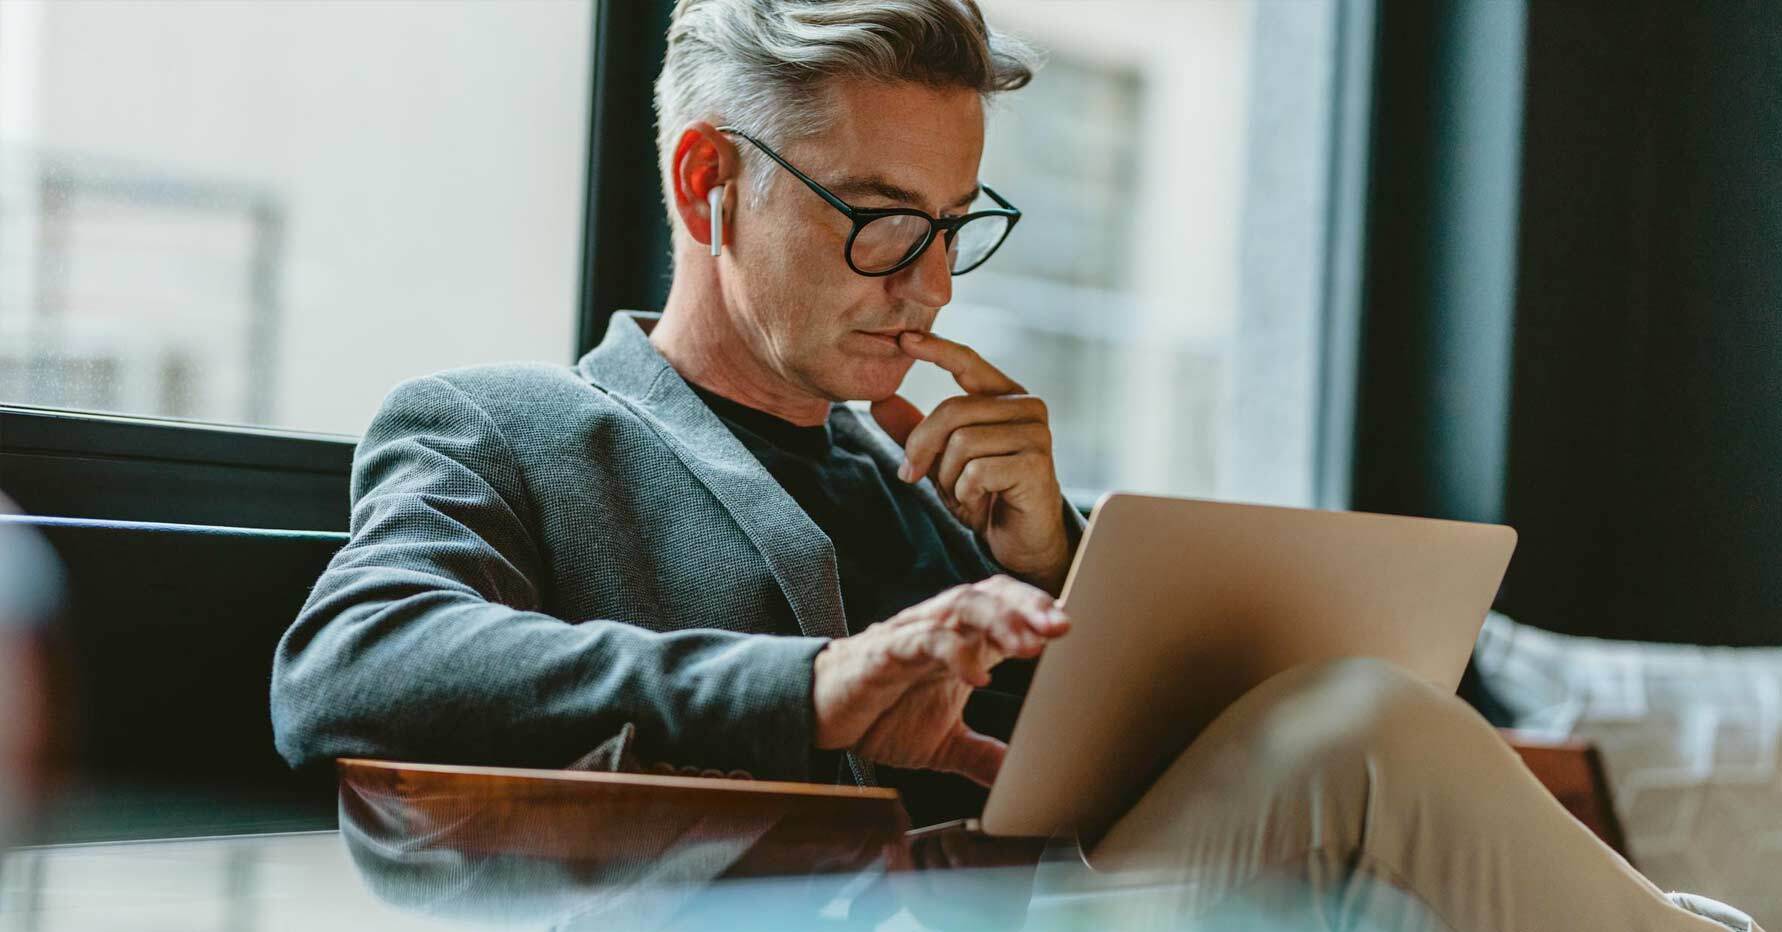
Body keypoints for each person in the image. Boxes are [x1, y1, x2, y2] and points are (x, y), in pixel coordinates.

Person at [270, 2, 1758, 929]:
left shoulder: (939, 487)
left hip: (1059, 898)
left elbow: (1095, 777)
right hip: (823, 910)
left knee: (1369, 743)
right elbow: (350, 663)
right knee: (1369, 732)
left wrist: (1056, 565)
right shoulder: (508, 427)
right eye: (876, 218)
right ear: (706, 181)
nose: (929, 283)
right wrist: (808, 688)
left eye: (954, 221)